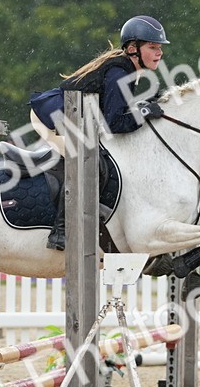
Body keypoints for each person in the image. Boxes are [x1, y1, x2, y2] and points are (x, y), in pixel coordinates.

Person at [28, 14, 168, 250]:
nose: (159, 53)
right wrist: (143, 112)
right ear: (133, 49)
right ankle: (61, 231)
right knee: (88, 162)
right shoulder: (120, 73)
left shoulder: (127, 70)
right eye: (152, 47)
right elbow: (114, 124)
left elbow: (113, 113)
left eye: (159, 48)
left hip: (71, 115)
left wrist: (141, 108)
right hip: (53, 116)